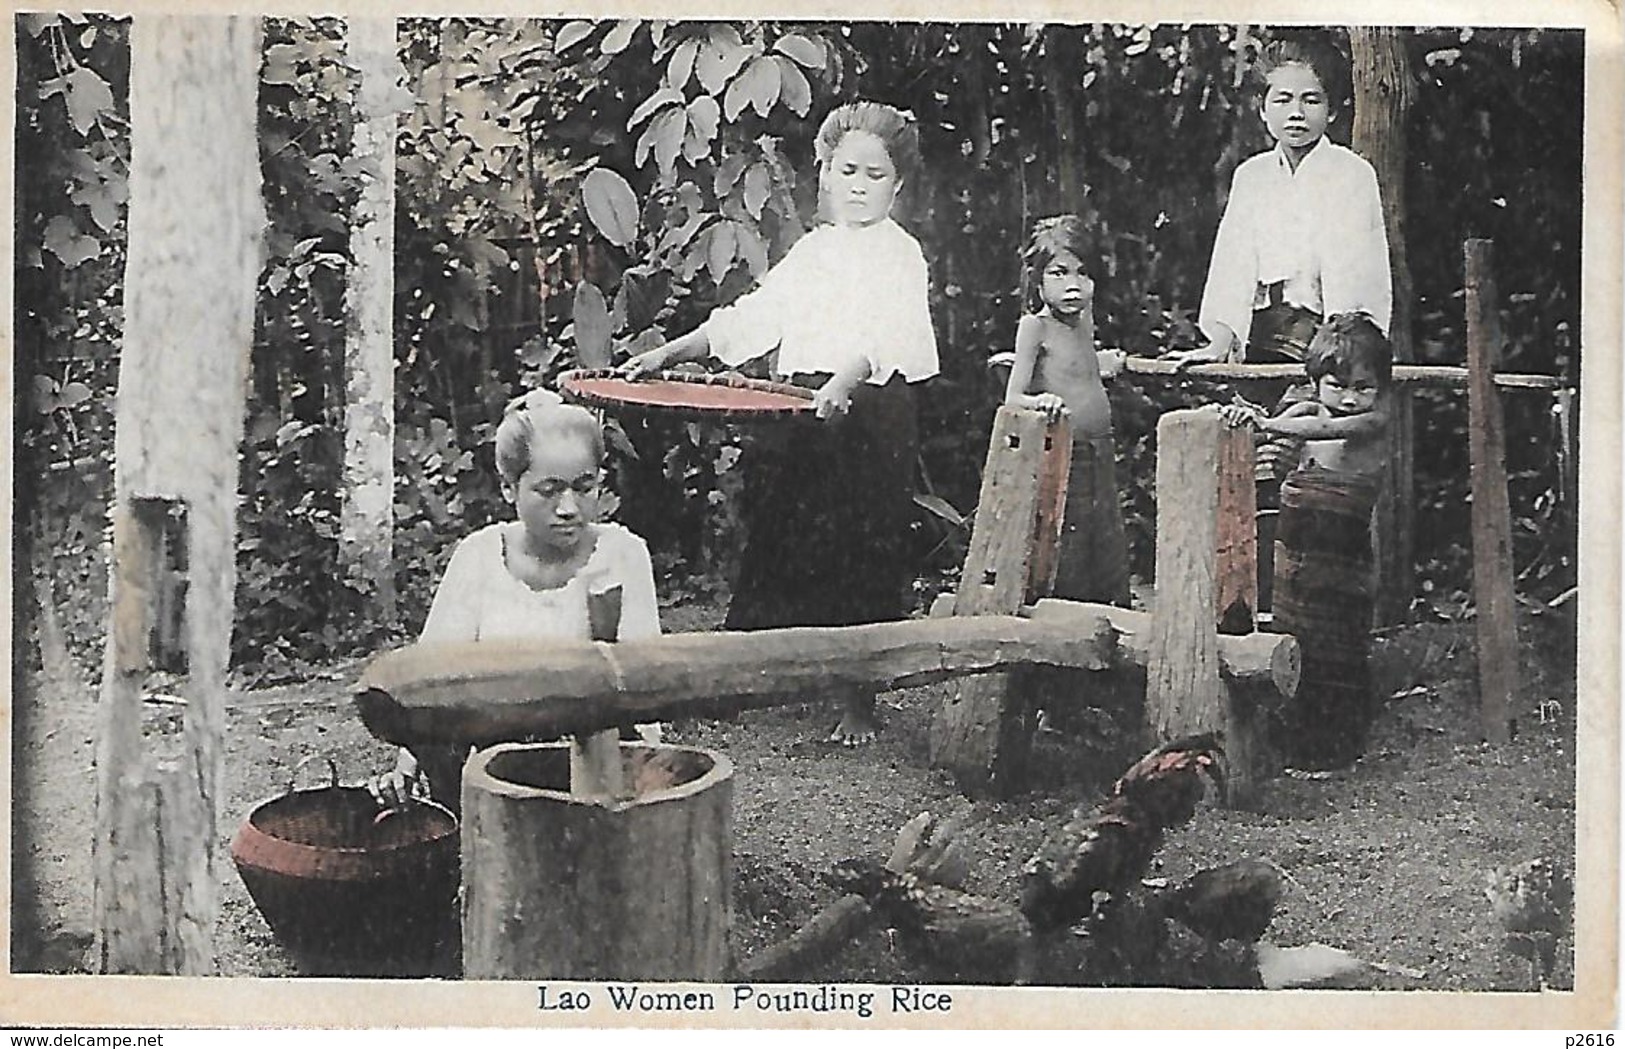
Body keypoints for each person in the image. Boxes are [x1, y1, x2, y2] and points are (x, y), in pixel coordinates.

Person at [620, 100, 937, 744]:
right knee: (781, 534)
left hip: (872, 415)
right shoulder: (815, 252)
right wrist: (666, 353)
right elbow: (750, 317)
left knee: (861, 550)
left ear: (897, 186)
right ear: (824, 174)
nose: (858, 186)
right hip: (805, 408)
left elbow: (887, 336)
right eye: (847, 171)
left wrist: (845, 383)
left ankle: (855, 700)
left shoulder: (901, 255)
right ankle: (741, 677)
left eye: (874, 176)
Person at [373, 390, 661, 810]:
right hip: (493, 763)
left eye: (584, 487)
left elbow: (644, 691)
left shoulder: (622, 555)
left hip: (596, 755)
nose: (569, 508)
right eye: (549, 490)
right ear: (510, 489)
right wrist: (406, 768)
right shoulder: (480, 555)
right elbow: (430, 677)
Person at [1220, 312, 1391, 770]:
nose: (1350, 399)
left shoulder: (1372, 422)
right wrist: (1251, 418)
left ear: (1380, 388)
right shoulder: (1306, 410)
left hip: (1341, 554)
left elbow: (1321, 431)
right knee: (1297, 640)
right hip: (1296, 553)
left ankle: (1337, 749)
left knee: (1339, 646)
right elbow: (1276, 423)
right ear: (1316, 381)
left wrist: (1272, 426)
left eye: (1363, 386)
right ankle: (1296, 743)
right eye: (1337, 386)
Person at [1003, 214, 1130, 606]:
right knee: (1069, 540)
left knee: (1106, 535)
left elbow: (1080, 368)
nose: (1073, 285)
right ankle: (1067, 625)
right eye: (1059, 273)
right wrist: (1040, 401)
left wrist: (1104, 362)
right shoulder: (1034, 327)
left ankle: (1112, 620)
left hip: (1100, 448)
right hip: (1064, 453)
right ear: (1037, 280)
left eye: (1083, 273)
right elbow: (1012, 398)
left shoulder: (1083, 322)